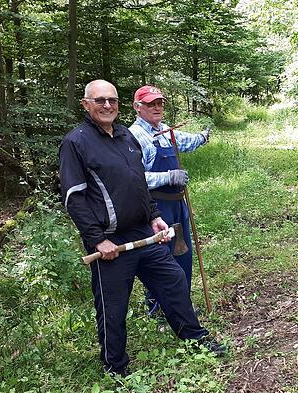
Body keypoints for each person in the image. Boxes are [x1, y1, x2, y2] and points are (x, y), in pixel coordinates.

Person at [59, 80, 223, 376]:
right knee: (113, 305)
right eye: (100, 100)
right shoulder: (76, 142)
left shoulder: (125, 136)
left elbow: (138, 183)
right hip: (110, 242)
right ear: (86, 104)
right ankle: (115, 366)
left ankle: (195, 339)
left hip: (143, 233)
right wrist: (97, 240)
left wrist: (153, 215)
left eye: (112, 100)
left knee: (173, 280)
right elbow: (74, 197)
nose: (107, 105)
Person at [129, 85, 210, 315]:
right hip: (156, 207)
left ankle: (181, 304)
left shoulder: (166, 130)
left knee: (182, 254)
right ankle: (158, 308)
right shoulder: (135, 136)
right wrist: (168, 176)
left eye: (159, 103)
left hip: (177, 204)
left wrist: (203, 137)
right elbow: (133, 179)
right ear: (138, 107)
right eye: (150, 104)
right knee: (161, 259)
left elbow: (187, 142)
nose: (156, 107)